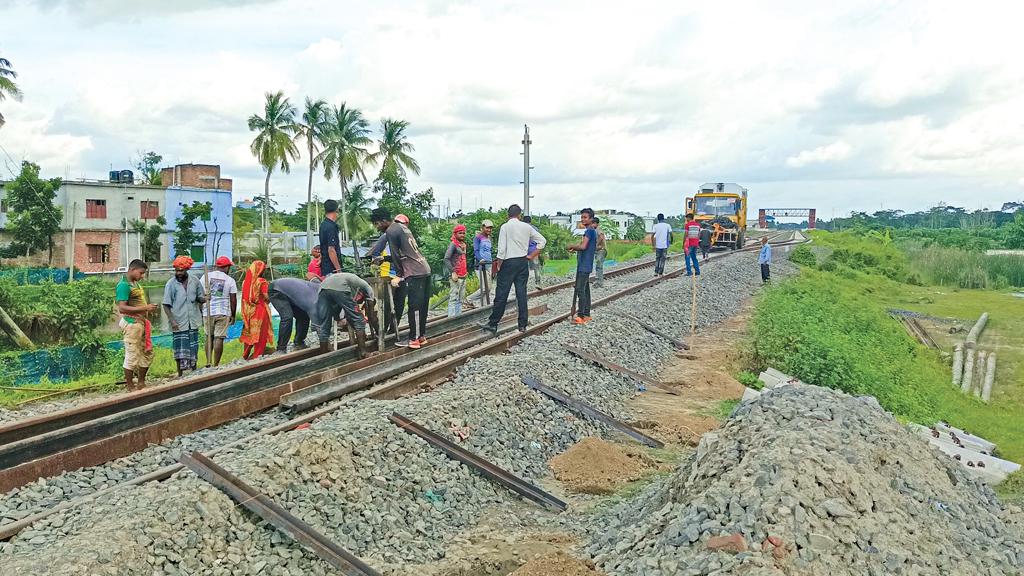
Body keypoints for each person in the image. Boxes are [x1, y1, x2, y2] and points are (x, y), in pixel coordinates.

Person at [371, 208, 432, 349]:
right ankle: (421, 336)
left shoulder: (391, 231)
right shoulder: (402, 228)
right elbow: (406, 253)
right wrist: (384, 258)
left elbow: (397, 255)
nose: (377, 227)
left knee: (414, 307)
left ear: (383, 221)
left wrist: (398, 276)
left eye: (377, 224)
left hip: (414, 272)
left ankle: (414, 339)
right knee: (422, 306)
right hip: (424, 268)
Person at [481, 204, 546, 335]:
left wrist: (499, 264)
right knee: (521, 293)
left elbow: (502, 249)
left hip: (508, 263)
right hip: (522, 262)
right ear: (519, 215)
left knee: (501, 294)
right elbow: (542, 241)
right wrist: (532, 255)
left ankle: (493, 323)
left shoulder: (505, 227)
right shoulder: (526, 227)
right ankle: (522, 324)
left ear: (508, 215)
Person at [116, 259, 158, 390]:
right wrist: (145, 308)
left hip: (141, 323)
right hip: (131, 324)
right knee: (132, 355)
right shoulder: (123, 285)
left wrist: (147, 310)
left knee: (147, 353)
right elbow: (122, 308)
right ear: (133, 270)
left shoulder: (135, 284)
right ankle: (130, 385)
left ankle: (141, 382)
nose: (142, 276)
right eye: (141, 273)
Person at [316, 272, 376, 358]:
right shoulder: (367, 288)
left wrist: (339, 318)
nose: (359, 302)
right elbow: (371, 314)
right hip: (338, 286)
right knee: (359, 320)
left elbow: (338, 307)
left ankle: (323, 356)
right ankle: (363, 353)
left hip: (323, 288)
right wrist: (374, 327)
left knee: (324, 324)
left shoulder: (353, 284)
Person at [163, 256, 206, 376]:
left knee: (193, 347)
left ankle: (194, 371)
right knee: (180, 349)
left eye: (181, 270)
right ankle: (180, 373)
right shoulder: (171, 284)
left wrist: (205, 298)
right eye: (177, 270)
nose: (179, 273)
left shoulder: (195, 281)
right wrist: (173, 321)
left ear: (187, 269)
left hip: (193, 320)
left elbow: (199, 297)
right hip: (179, 322)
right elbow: (166, 305)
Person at [269, 277, 323, 353]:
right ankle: (281, 348)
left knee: (303, 316)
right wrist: (324, 340)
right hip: (276, 290)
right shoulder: (314, 297)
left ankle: (299, 343)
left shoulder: (319, 290)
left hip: (289, 291)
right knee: (287, 317)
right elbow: (316, 321)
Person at [202, 256, 238, 367]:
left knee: (209, 336)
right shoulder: (230, 280)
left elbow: (200, 293)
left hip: (208, 311)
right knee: (219, 338)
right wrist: (233, 314)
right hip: (222, 312)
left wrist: (200, 310)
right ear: (226, 267)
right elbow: (233, 299)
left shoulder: (206, 277)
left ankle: (208, 361)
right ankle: (216, 364)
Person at [567, 208, 598, 324]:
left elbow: (583, 246)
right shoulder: (591, 231)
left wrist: (572, 246)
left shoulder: (589, 231)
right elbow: (584, 247)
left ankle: (581, 315)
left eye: (585, 217)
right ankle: (587, 314)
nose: (583, 219)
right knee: (586, 290)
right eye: (582, 217)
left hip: (584, 265)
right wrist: (575, 249)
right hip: (586, 264)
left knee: (580, 289)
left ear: (591, 219)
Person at [239, 260, 274, 359]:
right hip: (260, 310)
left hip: (248, 311)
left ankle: (245, 355)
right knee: (261, 333)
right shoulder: (261, 282)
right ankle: (257, 355)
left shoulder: (245, 282)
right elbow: (267, 297)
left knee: (249, 332)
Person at [444, 223, 469, 317]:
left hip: (463, 275)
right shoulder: (453, 244)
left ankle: (458, 318)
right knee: (454, 298)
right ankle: (451, 319)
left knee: (460, 298)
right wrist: (453, 272)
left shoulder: (463, 244)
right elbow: (446, 259)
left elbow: (463, 258)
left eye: (463, 233)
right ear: (455, 234)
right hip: (456, 276)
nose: (462, 235)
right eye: (460, 233)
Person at [319, 199, 342, 277]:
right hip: (332, 270)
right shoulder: (331, 227)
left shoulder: (323, 225)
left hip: (325, 268)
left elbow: (323, 246)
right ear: (337, 209)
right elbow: (331, 250)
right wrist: (338, 270)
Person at [473, 219, 494, 304]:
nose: (489, 230)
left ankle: (485, 305)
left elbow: (489, 251)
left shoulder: (489, 238)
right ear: (482, 227)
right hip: (481, 265)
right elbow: (476, 250)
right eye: (487, 228)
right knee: (485, 287)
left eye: (490, 228)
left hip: (489, 264)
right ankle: (468, 300)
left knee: (489, 288)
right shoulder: (478, 237)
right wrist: (480, 259)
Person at [523, 215, 544, 288]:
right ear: (530, 221)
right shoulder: (535, 229)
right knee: (536, 267)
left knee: (524, 268)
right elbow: (540, 240)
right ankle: (538, 282)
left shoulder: (522, 228)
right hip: (534, 251)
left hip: (524, 251)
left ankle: (524, 284)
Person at [592, 217, 607, 288]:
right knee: (598, 266)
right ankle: (599, 282)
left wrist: (596, 244)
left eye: (592, 223)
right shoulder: (596, 230)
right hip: (599, 250)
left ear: (595, 223)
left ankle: (599, 283)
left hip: (601, 250)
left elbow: (601, 237)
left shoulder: (598, 229)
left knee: (599, 266)